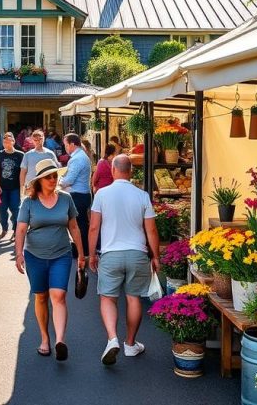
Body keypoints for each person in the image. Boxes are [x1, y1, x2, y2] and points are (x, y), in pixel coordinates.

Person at [88, 155, 159, 366]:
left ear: (112, 170)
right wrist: (156, 256)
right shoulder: (142, 195)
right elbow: (152, 230)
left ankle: (112, 339)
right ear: (131, 171)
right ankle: (130, 343)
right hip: (137, 254)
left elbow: (94, 227)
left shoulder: (102, 194)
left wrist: (91, 254)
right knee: (133, 297)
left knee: (108, 298)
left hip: (111, 254)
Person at [15, 158, 86, 361]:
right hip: (35, 256)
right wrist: (19, 253)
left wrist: (82, 254)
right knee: (41, 297)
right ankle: (45, 338)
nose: (53, 180)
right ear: (40, 180)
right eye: (49, 177)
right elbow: (20, 229)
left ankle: (60, 341)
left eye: (55, 176)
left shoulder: (65, 199)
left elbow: (74, 227)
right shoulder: (29, 202)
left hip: (61, 254)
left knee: (59, 296)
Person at [59, 133, 92, 257]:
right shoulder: (80, 156)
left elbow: (69, 180)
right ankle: (82, 249)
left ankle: (81, 250)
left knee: (78, 225)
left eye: (66, 145)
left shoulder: (77, 158)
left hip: (78, 195)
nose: (65, 147)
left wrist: (59, 181)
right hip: (81, 194)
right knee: (80, 223)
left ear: (72, 144)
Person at [0, 132, 25, 239]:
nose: (6, 143)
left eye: (8, 141)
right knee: (1, 209)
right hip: (2, 188)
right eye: (4, 142)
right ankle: (4, 228)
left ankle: (15, 230)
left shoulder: (20, 155)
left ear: (13, 141)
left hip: (15, 188)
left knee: (16, 209)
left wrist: (23, 186)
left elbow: (24, 171)